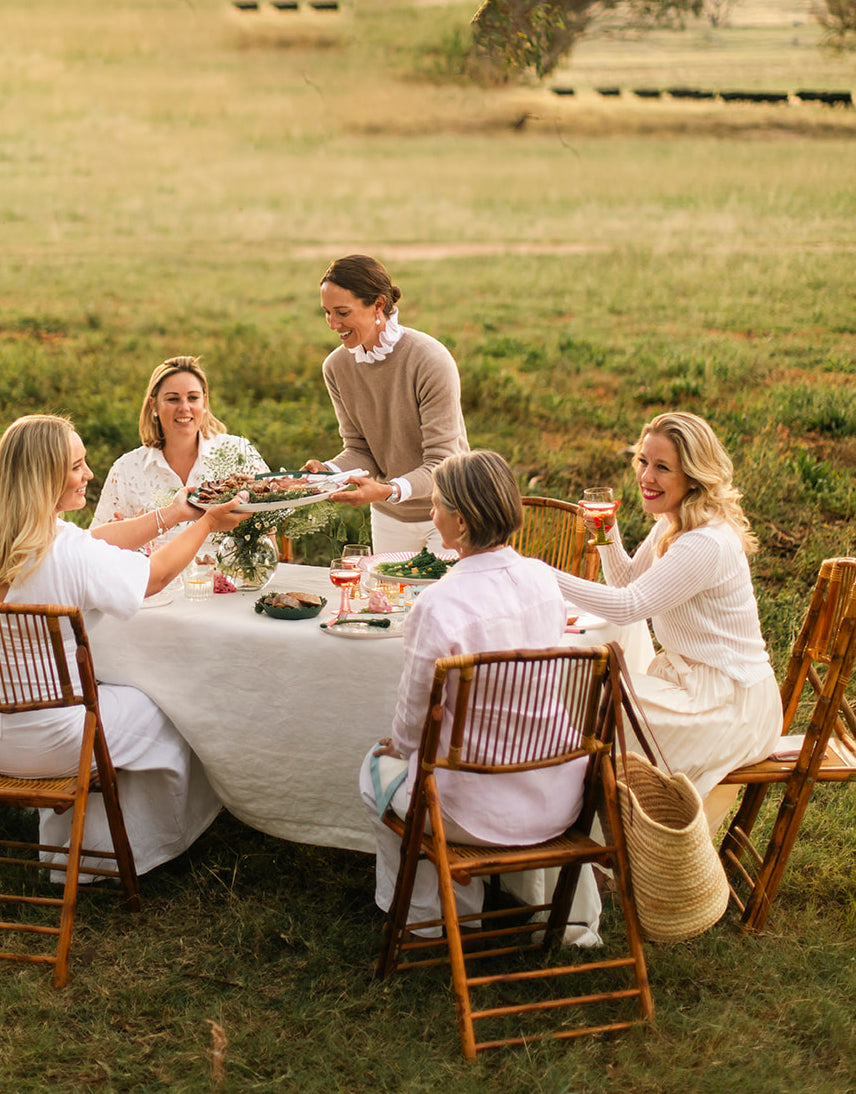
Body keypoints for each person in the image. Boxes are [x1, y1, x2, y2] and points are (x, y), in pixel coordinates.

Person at [358, 450, 598, 941]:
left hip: (470, 814)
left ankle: (433, 917)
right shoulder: (542, 579)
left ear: (461, 522)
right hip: (558, 793)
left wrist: (396, 748)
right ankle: (546, 910)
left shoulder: (438, 603)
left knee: (376, 767)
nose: (430, 513)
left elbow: (413, 716)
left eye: (437, 505)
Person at [0, 414, 250, 876]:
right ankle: (128, 850)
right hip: (58, 742)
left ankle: (70, 844)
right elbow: (152, 578)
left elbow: (94, 541)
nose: (89, 475)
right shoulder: (65, 553)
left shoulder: (33, 540)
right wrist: (208, 525)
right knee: (173, 709)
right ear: (44, 476)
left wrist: (173, 516)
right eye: (77, 466)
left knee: (126, 700)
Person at [554, 411, 782, 832]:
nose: (646, 476)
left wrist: (542, 575)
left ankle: (604, 841)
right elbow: (626, 580)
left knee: (589, 707)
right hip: (696, 685)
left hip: (732, 704)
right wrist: (607, 533)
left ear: (694, 476)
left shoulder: (704, 542)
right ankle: (600, 837)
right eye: (643, 461)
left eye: (662, 467)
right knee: (582, 695)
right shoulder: (673, 523)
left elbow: (626, 606)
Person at [302, 254, 469, 554]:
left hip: (451, 511)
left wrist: (390, 490)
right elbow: (360, 448)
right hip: (389, 516)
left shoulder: (430, 360)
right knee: (386, 600)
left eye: (342, 312)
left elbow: (442, 462)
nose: (332, 324)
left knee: (442, 600)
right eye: (326, 312)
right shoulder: (336, 367)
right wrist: (326, 473)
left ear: (378, 304)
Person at [92, 355, 267, 531]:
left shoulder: (239, 452)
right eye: (173, 399)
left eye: (193, 398)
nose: (184, 408)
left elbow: (270, 521)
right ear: (154, 405)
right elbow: (99, 542)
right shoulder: (125, 470)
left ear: (204, 401)